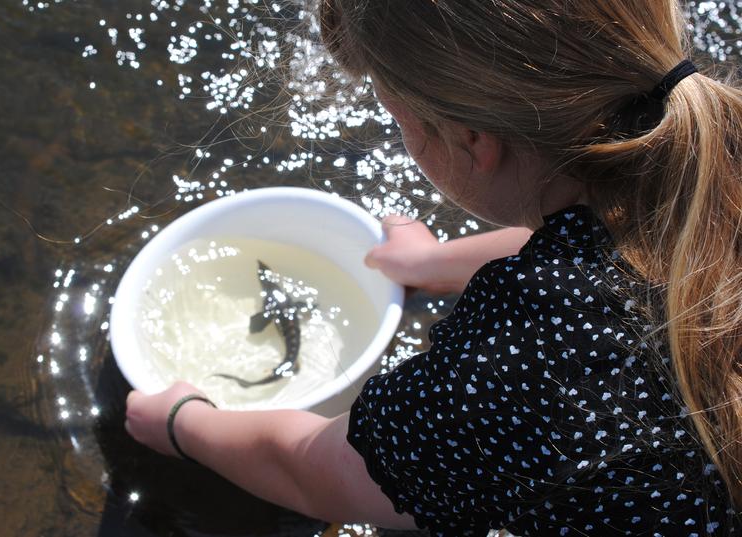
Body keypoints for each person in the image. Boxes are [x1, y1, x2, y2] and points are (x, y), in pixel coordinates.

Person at [125, 1, 742, 535]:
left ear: (474, 142)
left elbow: (327, 470)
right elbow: (609, 237)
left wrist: (185, 422)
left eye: (399, 121)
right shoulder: (709, 146)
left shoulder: (518, 366)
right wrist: (436, 261)